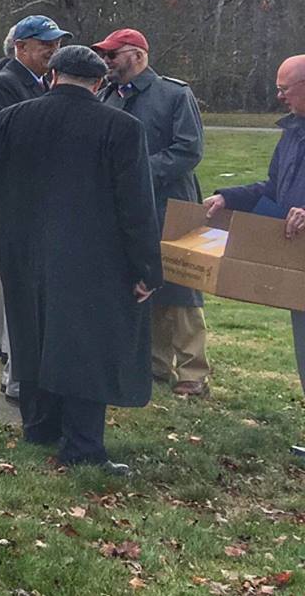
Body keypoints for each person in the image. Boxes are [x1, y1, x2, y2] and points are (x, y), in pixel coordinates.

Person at [0, 44, 158, 473]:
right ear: (98, 84)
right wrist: (146, 267)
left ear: (53, 76)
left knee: (32, 337)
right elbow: (136, 206)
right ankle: (82, 445)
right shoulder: (121, 128)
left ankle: (39, 427)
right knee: (84, 349)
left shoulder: (11, 120)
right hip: (94, 260)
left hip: (24, 254)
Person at [203, 53, 305, 459]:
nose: (279, 97)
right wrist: (229, 196)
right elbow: (273, 188)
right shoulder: (292, 133)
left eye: (286, 89)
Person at [96, 28, 208, 397]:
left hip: (171, 203)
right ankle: (154, 364)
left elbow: (189, 149)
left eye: (114, 54)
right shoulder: (107, 96)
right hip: (125, 206)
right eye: (105, 55)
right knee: (143, 281)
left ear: (138, 56)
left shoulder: (174, 94)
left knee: (180, 285)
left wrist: (141, 171)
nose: (107, 61)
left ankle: (193, 371)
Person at [0, 13, 69, 398]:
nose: (52, 50)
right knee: (17, 275)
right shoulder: (5, 85)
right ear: (20, 48)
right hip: (15, 196)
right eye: (45, 44)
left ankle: (13, 352)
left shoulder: (35, 82)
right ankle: (15, 360)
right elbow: (5, 145)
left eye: (56, 44)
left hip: (29, 197)